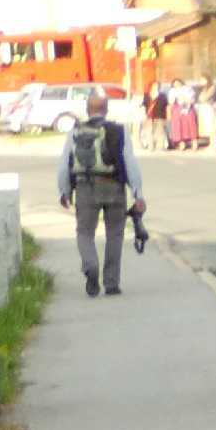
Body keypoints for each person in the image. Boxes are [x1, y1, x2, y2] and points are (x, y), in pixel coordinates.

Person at [55, 91, 146, 300]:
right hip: (114, 187)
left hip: (85, 187)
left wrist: (64, 191)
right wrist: (138, 193)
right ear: (106, 109)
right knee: (115, 234)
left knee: (84, 232)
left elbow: (64, 164)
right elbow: (130, 162)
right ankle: (111, 283)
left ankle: (90, 265)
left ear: (87, 110)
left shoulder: (76, 132)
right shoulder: (119, 130)